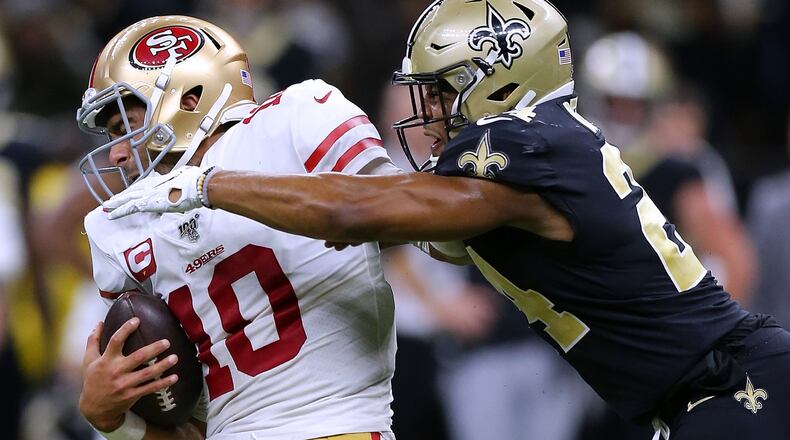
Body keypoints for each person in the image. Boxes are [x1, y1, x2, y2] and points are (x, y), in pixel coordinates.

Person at [104, 1, 790, 439]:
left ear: (493, 75)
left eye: (438, 88)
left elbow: (353, 210)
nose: (426, 107)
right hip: (701, 394)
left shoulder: (528, 141)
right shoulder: (542, 145)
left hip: (728, 384)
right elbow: (385, 225)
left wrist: (207, 184)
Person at [76, 15, 397, 440]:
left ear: (189, 99)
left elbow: (396, 212)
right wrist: (112, 421)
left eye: (126, 127)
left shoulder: (293, 118)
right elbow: (187, 427)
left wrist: (207, 186)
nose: (116, 154)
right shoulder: (120, 224)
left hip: (335, 425)